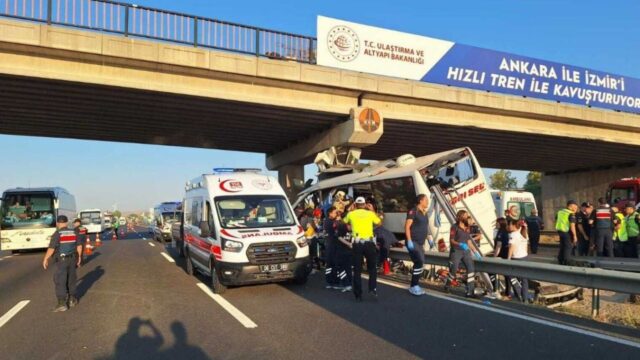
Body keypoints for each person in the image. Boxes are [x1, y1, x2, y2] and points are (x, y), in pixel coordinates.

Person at [342, 196, 382, 301]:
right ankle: (372, 288)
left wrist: (351, 226)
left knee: (357, 270)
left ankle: (358, 295)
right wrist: (372, 211)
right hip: (369, 243)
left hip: (357, 243)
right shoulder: (370, 214)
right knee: (372, 268)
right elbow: (379, 223)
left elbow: (344, 222)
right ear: (364, 205)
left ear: (355, 204)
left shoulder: (351, 214)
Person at [42, 215, 83, 312]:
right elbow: (79, 246)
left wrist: (46, 258)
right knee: (71, 278)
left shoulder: (57, 234)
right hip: (73, 259)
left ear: (57, 223)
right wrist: (80, 257)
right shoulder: (74, 232)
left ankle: (62, 303)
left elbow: (51, 248)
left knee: (60, 280)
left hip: (62, 260)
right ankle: (72, 299)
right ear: (67, 222)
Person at [445, 210, 481, 298]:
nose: (467, 217)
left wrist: (475, 251)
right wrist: (460, 244)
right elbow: (452, 240)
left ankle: (470, 291)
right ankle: (447, 285)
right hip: (456, 251)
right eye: (466, 216)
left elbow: (469, 241)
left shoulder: (467, 227)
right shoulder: (454, 227)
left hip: (466, 252)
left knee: (471, 269)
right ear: (461, 217)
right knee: (453, 271)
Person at [405, 194, 433, 296]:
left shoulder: (424, 213)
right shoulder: (413, 211)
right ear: (420, 201)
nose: (427, 202)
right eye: (426, 200)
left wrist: (429, 238)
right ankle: (414, 286)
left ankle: (415, 285)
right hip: (413, 242)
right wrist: (409, 240)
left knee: (420, 263)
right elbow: (407, 226)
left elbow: (425, 227)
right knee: (419, 261)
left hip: (420, 243)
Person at [507, 219, 532, 303]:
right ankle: (525, 297)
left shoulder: (513, 234)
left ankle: (519, 293)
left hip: (516, 258)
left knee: (511, 276)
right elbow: (526, 246)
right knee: (524, 279)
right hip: (524, 257)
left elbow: (511, 247)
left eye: (509, 224)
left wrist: (508, 259)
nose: (508, 226)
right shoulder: (524, 233)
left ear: (514, 225)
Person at [335, 210, 353, 292]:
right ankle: (347, 284)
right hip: (345, 250)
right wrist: (349, 244)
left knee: (343, 268)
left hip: (345, 251)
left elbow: (339, 237)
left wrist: (349, 244)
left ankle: (347, 284)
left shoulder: (343, 226)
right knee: (346, 268)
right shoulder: (343, 226)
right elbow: (339, 237)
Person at [493, 217, 512, 297]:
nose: (495, 224)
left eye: (497, 223)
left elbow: (499, 245)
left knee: (503, 273)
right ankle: (507, 291)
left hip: (502, 255)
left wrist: (495, 255)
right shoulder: (505, 231)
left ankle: (503, 291)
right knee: (506, 274)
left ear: (500, 223)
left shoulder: (501, 232)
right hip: (505, 254)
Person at [556, 200, 578, 265]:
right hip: (567, 231)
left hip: (560, 231)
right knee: (568, 246)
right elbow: (572, 225)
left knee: (562, 245)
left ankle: (560, 259)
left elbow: (557, 220)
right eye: (575, 207)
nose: (576, 209)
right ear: (570, 206)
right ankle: (567, 260)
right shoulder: (571, 214)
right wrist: (574, 236)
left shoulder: (560, 212)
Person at [323, 207, 340, 289]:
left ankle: (333, 279)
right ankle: (331, 280)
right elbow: (336, 228)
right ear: (330, 213)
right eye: (335, 212)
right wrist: (338, 221)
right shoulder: (328, 221)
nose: (336, 214)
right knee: (331, 263)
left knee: (334, 263)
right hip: (330, 245)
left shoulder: (331, 221)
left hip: (333, 245)